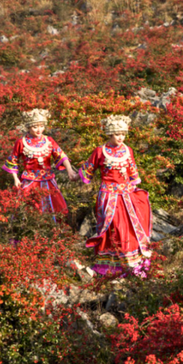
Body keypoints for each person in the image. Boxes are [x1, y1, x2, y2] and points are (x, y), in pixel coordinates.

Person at [77, 114, 152, 278]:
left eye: (123, 134)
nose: (121, 137)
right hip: (108, 195)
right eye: (117, 134)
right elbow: (87, 171)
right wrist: (74, 174)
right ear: (109, 134)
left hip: (126, 196)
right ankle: (107, 265)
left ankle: (131, 262)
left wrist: (133, 190)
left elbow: (133, 173)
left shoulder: (128, 150)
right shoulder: (100, 151)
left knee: (129, 227)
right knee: (112, 228)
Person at [2, 108, 77, 217]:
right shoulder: (21, 142)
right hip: (29, 180)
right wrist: (15, 178)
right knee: (27, 210)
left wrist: (70, 170)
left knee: (56, 209)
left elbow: (61, 156)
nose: (39, 130)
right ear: (28, 127)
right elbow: (13, 160)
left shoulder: (49, 140)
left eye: (41, 126)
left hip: (48, 180)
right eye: (35, 127)